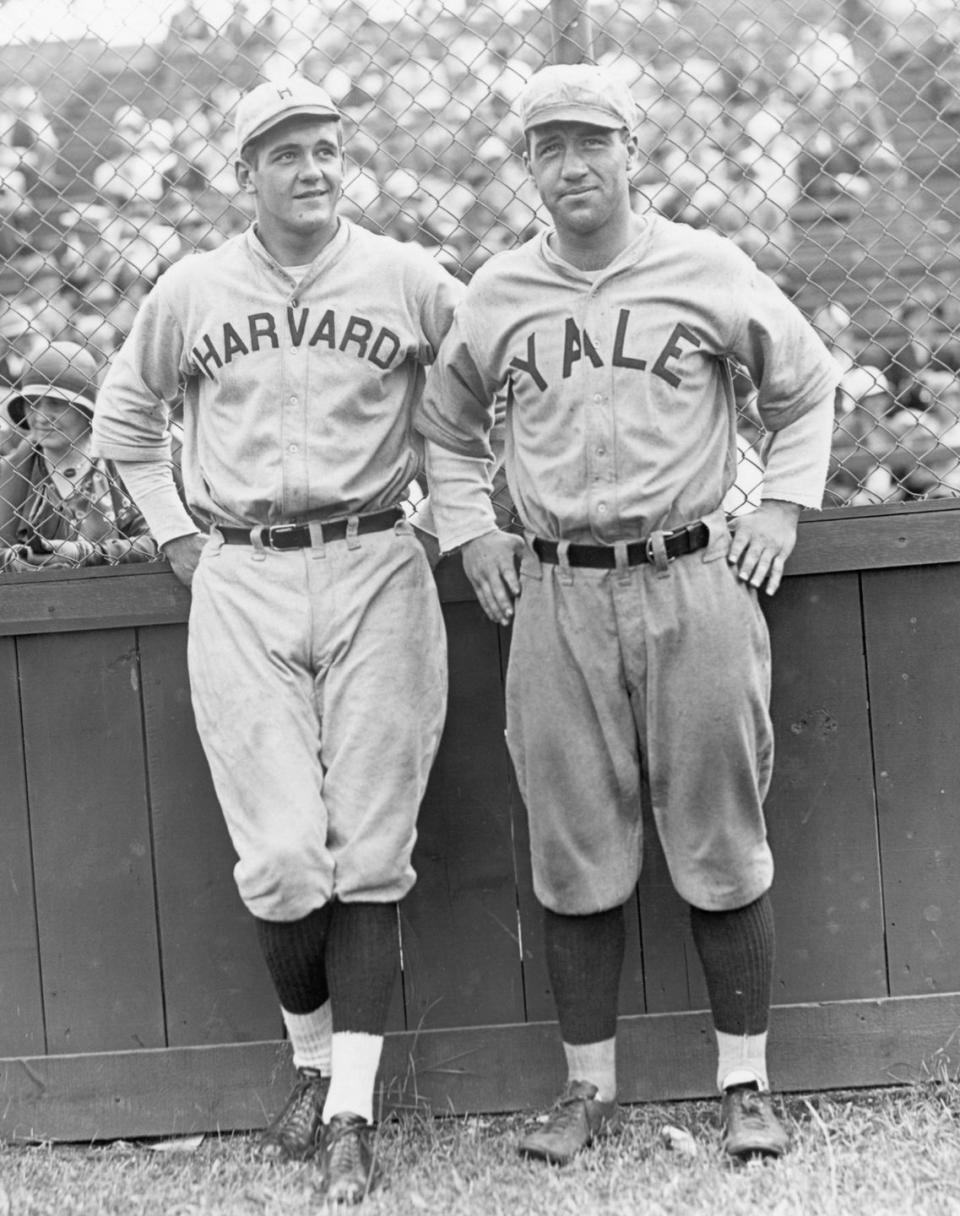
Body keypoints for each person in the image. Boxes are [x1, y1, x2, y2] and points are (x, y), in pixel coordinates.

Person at [415, 63, 839, 1165]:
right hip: (555, 588)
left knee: (721, 835)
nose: (572, 165)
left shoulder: (706, 265)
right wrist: (472, 532)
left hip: (693, 572)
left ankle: (745, 1084)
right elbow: (447, 428)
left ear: (631, 152)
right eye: (549, 148)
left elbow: (803, 386)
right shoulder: (499, 291)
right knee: (571, 841)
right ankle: (585, 1092)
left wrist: (784, 510)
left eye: (590, 142)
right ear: (530, 169)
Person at [92, 76, 461, 1204]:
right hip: (242, 569)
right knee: (286, 856)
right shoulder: (195, 287)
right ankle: (310, 1063)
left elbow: (474, 399)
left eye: (326, 149)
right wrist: (176, 539)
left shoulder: (407, 277)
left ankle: (348, 1110)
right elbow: (124, 418)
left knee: (373, 846)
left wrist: (451, 521)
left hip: (375, 563)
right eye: (287, 152)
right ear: (244, 171)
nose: (312, 168)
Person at [0, 341, 156, 569]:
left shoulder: (121, 466)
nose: (41, 417)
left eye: (55, 403)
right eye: (33, 404)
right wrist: (13, 562)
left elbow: (160, 542)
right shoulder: (9, 473)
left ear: (85, 410)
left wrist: (85, 553)